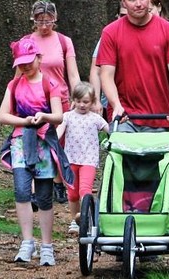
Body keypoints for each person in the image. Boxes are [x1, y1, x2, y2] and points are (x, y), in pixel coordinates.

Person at [0, 37, 72, 266]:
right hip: (20, 142)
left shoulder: (50, 84)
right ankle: (27, 242)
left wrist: (44, 117)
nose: (26, 66)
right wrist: (24, 120)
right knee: (21, 190)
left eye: (29, 61)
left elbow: (59, 115)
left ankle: (47, 246)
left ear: (39, 59)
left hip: (43, 143)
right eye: (21, 63)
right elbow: (2, 116)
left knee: (44, 195)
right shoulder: (14, 85)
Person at [96, 0, 169, 130]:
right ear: (123, 2)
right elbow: (106, 75)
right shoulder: (110, 32)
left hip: (161, 117)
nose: (138, 4)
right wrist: (116, 104)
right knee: (120, 151)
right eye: (132, 0)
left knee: (164, 154)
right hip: (124, 117)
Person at [24, 0, 80, 204]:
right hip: (33, 99)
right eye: (40, 21)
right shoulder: (28, 41)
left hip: (60, 99)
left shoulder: (64, 42)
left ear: (55, 20)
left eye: (48, 21)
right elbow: (20, 73)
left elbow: (72, 73)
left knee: (57, 143)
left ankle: (58, 183)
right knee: (33, 143)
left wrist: (77, 94)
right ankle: (33, 189)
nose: (44, 25)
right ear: (33, 20)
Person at [56, 82, 109, 234]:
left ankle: (86, 217)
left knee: (85, 190)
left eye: (86, 102)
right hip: (71, 159)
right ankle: (75, 219)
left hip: (88, 160)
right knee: (72, 193)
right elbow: (59, 131)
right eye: (78, 101)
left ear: (92, 102)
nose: (82, 105)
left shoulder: (95, 118)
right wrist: (52, 140)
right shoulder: (67, 117)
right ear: (73, 100)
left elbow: (109, 129)